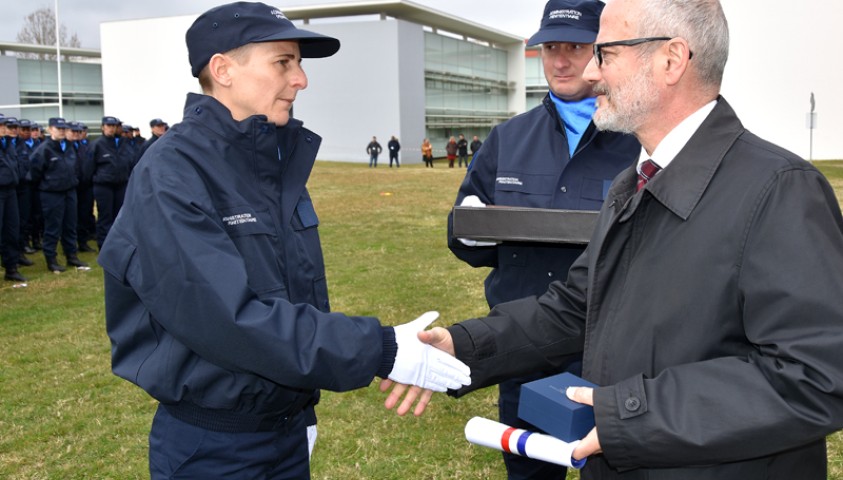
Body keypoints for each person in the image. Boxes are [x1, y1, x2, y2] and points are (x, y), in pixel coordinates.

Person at [388, 0, 843, 478]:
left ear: (671, 60)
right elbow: (574, 310)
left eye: (604, 53)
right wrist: (462, 347)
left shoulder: (780, 190)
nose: (589, 72)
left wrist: (630, 415)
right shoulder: (636, 182)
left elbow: (815, 376)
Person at [97, 3, 470, 479]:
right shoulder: (171, 173)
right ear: (223, 69)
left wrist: (299, 413)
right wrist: (380, 349)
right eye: (283, 62)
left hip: (284, 433)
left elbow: (293, 294)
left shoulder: (269, 163)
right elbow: (227, 318)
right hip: (214, 449)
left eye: (299, 64)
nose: (301, 80)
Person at [447, 1, 638, 478]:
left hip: (614, 361)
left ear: (602, 51)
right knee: (530, 472)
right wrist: (469, 230)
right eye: (551, 47)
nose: (560, 60)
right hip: (527, 352)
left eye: (575, 47)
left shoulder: (640, 139)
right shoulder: (507, 139)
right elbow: (466, 236)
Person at [28, 117, 88, 273]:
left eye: (63, 128)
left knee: (70, 225)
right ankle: (51, 259)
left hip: (69, 191)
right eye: (58, 128)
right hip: (51, 193)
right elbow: (34, 173)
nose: (61, 131)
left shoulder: (69, 147)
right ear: (50, 129)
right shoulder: (44, 149)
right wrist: (48, 184)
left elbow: (74, 167)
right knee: (53, 227)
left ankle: (71, 256)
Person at [90, 116, 133, 250]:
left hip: (120, 184)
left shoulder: (122, 143)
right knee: (105, 216)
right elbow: (89, 167)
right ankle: (104, 245)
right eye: (108, 126)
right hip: (104, 185)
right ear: (103, 127)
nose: (111, 128)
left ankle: (118, 243)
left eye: (113, 126)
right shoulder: (97, 144)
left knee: (118, 216)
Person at [0, 116, 27, 282]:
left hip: (10, 191)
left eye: (4, 125)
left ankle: (11, 268)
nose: (4, 128)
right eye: (1, 125)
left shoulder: (8, 143)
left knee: (11, 229)